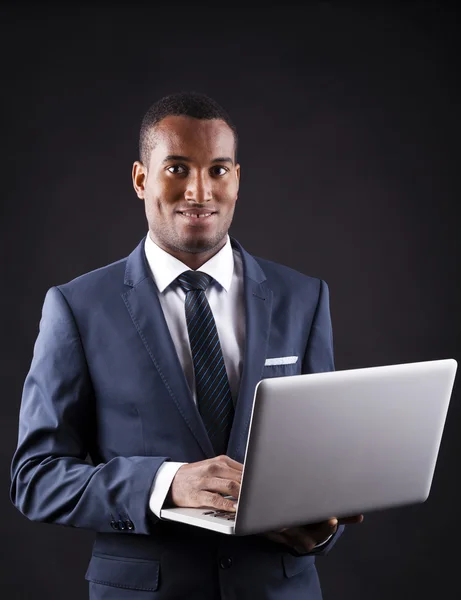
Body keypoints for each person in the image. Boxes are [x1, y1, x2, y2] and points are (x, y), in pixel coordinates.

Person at [10, 91, 363, 599]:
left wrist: (324, 528)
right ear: (140, 179)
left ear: (237, 181)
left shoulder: (304, 297)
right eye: (177, 168)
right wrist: (167, 485)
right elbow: (35, 478)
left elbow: (324, 459)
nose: (199, 190)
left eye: (218, 170)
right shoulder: (77, 307)